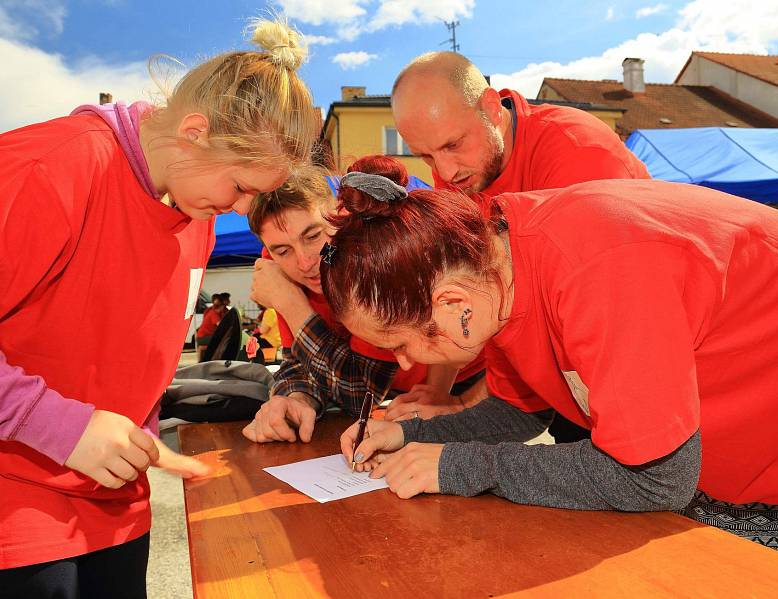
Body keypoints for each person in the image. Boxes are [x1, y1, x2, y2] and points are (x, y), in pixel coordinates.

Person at [319, 156, 778, 553]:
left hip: (762, 444)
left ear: (452, 304)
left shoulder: (599, 271)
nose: (404, 364)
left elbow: (656, 479)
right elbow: (518, 411)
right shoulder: (493, 263)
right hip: (702, 459)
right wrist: (409, 435)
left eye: (401, 344)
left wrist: (460, 466)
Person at [0, 18, 317, 597]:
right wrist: (57, 425)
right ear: (194, 131)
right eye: (241, 186)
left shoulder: (193, 212)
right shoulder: (51, 168)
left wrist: (140, 429)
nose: (235, 209)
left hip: (116, 507)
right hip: (17, 507)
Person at [387, 52, 653, 440]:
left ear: (493, 109)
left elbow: (548, 323)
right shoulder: (462, 174)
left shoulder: (579, 156)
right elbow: (465, 293)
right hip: (572, 389)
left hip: (634, 374)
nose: (444, 172)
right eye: (426, 156)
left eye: (453, 144)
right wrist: (440, 391)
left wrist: (467, 404)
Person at [243, 161, 485, 444]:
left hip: (466, 381)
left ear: (337, 214)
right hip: (401, 396)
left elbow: (359, 394)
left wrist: (291, 304)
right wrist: (295, 397)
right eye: (282, 250)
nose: (305, 262)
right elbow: (298, 359)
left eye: (312, 236)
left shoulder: (365, 250)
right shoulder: (278, 264)